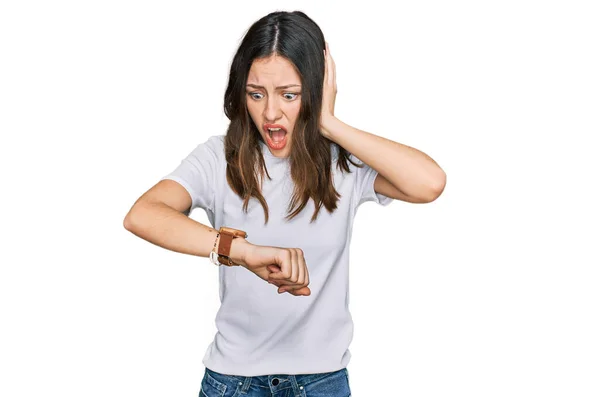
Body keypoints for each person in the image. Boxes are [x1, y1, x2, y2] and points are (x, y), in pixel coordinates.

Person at [123, 10, 446, 397]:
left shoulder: (343, 160)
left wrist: (329, 123)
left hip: (322, 381)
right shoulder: (217, 158)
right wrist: (241, 251)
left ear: (314, 90)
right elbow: (142, 214)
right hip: (232, 383)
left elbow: (429, 183)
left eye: (289, 95)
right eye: (256, 94)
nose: (270, 113)